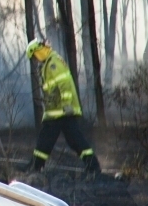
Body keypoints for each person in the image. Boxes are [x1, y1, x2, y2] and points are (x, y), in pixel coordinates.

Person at [26, 38, 101, 174]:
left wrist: (66, 105)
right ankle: (93, 166)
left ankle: (36, 167)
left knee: (46, 139)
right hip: (58, 111)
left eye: (35, 56)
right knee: (74, 140)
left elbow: (64, 84)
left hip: (61, 111)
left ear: (40, 51)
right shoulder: (49, 63)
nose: (35, 60)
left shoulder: (53, 63)